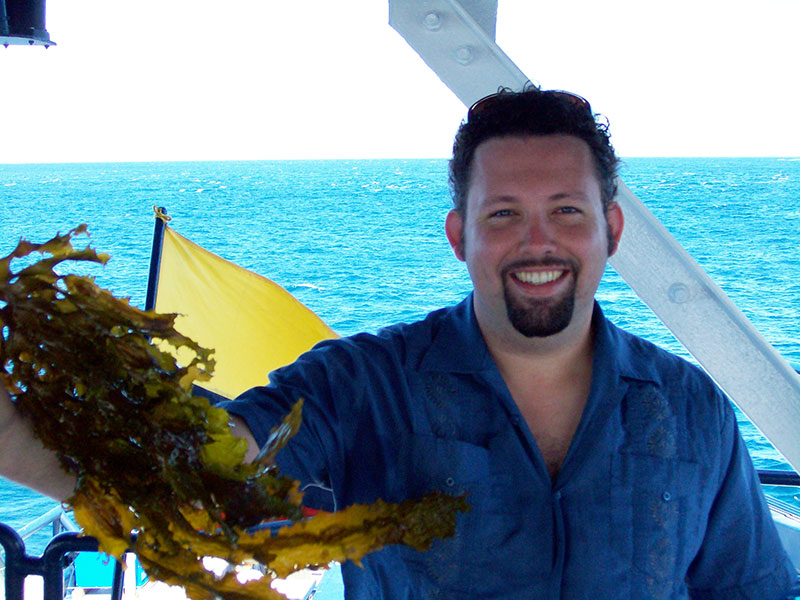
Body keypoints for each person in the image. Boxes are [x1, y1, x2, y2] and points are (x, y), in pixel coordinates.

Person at [0, 86, 795, 598]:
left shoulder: (691, 410)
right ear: (460, 236)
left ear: (610, 230)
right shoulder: (362, 385)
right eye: (503, 214)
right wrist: (31, 446)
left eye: (567, 211)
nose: (538, 242)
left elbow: (747, 586)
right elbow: (219, 467)